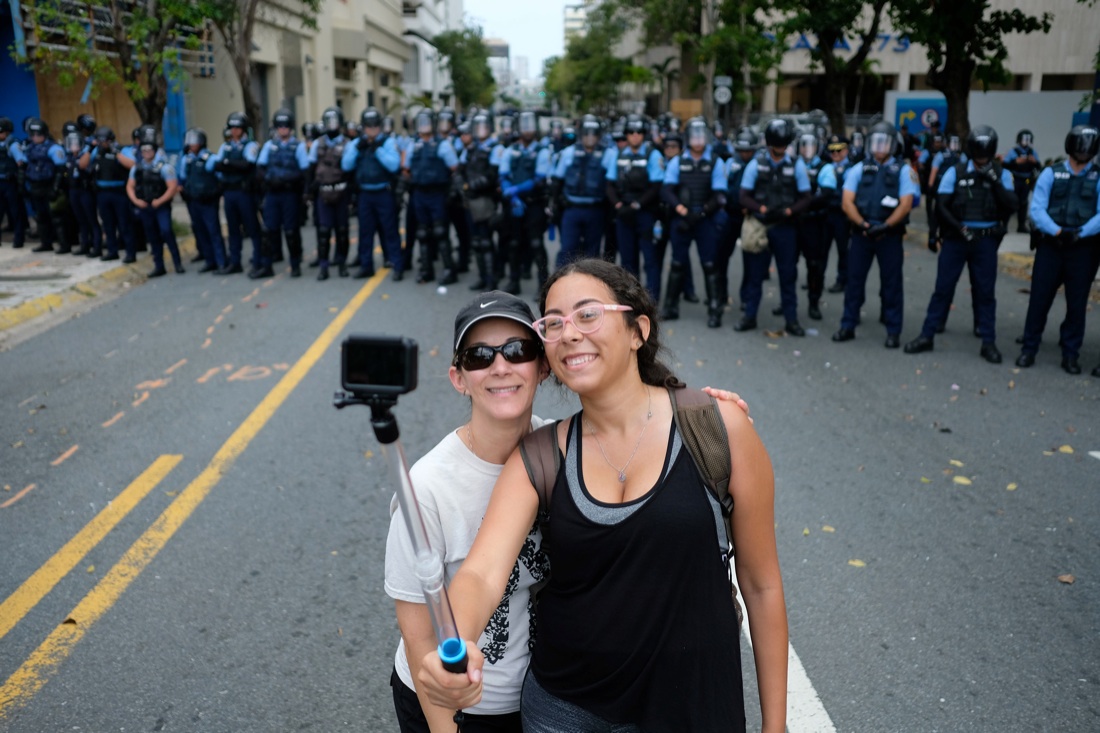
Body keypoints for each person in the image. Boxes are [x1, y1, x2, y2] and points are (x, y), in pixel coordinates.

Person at [416, 258, 786, 733]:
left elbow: (762, 586)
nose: (569, 333)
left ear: (638, 331)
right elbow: (482, 575)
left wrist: (776, 726)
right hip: (565, 712)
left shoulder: (717, 427)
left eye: (588, 314)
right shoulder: (540, 455)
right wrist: (457, 642)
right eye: (553, 323)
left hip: (694, 705)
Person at [904, 124, 1017, 363]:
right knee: (943, 289)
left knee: (985, 292)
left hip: (985, 240)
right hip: (957, 238)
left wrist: (994, 180)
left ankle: (988, 342)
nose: (982, 158)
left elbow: (1011, 205)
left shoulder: (1002, 173)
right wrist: (958, 229)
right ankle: (927, 335)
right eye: (978, 153)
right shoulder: (955, 172)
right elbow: (941, 205)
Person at [1015, 125, 1100, 376]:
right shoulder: (1051, 173)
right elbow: (1037, 209)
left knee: (1076, 303)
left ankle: (1070, 354)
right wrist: (1058, 232)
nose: (1083, 151)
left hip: (1083, 249)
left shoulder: (1097, 175)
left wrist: (1080, 232)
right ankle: (1029, 349)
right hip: (1052, 245)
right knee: (1039, 299)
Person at [832, 121, 919, 348]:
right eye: (876, 142)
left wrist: (887, 226)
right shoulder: (858, 168)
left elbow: (906, 204)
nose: (880, 147)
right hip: (862, 234)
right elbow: (847, 201)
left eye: (885, 142)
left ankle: (893, 331)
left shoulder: (904, 170)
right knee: (854, 282)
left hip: (889, 236)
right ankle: (848, 325)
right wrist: (862, 224)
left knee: (891, 284)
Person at [736, 117, 812, 335]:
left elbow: (806, 197)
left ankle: (791, 320)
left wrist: (789, 211)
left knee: (788, 275)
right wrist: (760, 209)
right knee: (755, 276)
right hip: (761, 225)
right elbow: (743, 196)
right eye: (776, 146)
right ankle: (749, 316)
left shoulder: (796, 165)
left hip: (785, 227)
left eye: (783, 145)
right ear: (769, 143)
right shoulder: (756, 164)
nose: (779, 149)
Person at [660, 117, 729, 327]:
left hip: (705, 219)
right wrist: (682, 210)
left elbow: (719, 195)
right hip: (682, 219)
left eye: (701, 135)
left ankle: (715, 310)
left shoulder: (716, 161)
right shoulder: (677, 161)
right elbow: (667, 191)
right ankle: (670, 307)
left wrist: (701, 213)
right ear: (688, 138)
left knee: (709, 264)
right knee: (678, 263)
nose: (698, 140)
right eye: (694, 135)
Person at [606, 113, 664, 302]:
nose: (635, 135)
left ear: (644, 134)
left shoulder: (653, 154)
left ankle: (652, 300)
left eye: (639, 131)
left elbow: (656, 186)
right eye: (631, 132)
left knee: (650, 259)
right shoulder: (618, 154)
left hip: (645, 213)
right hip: (624, 214)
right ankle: (633, 299)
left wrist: (637, 205)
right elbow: (609, 184)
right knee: (628, 260)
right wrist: (618, 205)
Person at [342, 107, 403, 280]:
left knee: (390, 231)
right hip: (365, 194)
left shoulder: (387, 142)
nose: (372, 129)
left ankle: (397, 265)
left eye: (375, 125)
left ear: (380, 126)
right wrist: (357, 149)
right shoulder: (357, 144)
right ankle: (366, 265)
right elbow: (346, 165)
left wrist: (377, 150)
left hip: (384, 192)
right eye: (368, 126)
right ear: (363, 127)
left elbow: (394, 165)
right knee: (365, 232)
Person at [499, 111, 553, 295]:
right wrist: (511, 196)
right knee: (514, 243)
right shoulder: (510, 150)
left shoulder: (542, 151)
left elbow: (539, 179)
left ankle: (543, 285)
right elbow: (503, 175)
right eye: (524, 125)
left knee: (536, 244)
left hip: (534, 204)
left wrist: (517, 190)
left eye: (530, 125)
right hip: (514, 205)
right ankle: (514, 281)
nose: (527, 130)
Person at [405, 109, 461, 285]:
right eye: (421, 123)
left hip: (437, 194)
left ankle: (449, 270)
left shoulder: (442, 144)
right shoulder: (413, 145)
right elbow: (405, 167)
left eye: (427, 122)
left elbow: (454, 168)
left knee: (440, 232)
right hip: (419, 194)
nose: (424, 126)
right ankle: (426, 270)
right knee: (422, 232)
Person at [550, 115, 612, 266]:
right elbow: (557, 180)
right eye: (586, 133)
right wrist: (553, 203)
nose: (590, 137)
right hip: (572, 209)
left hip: (595, 210)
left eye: (594, 133)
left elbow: (611, 183)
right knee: (567, 250)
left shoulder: (608, 154)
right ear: (581, 133)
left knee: (592, 254)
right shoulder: (569, 152)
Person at [208, 112, 260, 275]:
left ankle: (258, 260)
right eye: (232, 128)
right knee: (232, 229)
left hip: (244, 192)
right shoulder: (226, 146)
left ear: (243, 128)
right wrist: (232, 164)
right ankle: (235, 261)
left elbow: (248, 166)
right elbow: (217, 165)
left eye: (238, 127)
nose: (234, 131)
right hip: (229, 192)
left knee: (252, 227)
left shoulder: (251, 146)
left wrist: (228, 164)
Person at [127, 137, 183, 277]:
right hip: (145, 207)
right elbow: (130, 186)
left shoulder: (165, 167)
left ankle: (177, 263)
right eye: (143, 150)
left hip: (161, 206)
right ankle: (159, 266)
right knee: (152, 236)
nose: (146, 152)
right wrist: (136, 201)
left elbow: (172, 187)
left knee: (166, 232)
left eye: (149, 149)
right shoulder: (137, 168)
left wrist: (160, 201)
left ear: (155, 151)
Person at [309, 107, 354, 280]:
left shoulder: (348, 144)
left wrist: (352, 196)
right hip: (323, 193)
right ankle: (323, 266)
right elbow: (310, 169)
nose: (332, 125)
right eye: (328, 122)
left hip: (342, 192)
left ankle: (341, 263)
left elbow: (351, 171)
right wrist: (309, 191)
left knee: (342, 231)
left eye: (335, 121)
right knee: (324, 231)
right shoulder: (317, 143)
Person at [80, 126, 135, 262]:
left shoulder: (122, 150)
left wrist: (116, 153)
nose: (102, 143)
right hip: (102, 193)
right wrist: (89, 149)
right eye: (99, 140)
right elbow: (82, 165)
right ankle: (112, 251)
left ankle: (130, 253)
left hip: (119, 193)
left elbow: (132, 164)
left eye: (104, 141)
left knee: (124, 224)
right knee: (108, 224)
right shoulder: (96, 152)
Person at [178, 128, 227, 273]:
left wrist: (215, 193)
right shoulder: (186, 159)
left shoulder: (210, 158)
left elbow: (220, 178)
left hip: (208, 200)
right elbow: (182, 179)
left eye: (194, 141)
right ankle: (209, 260)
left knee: (213, 231)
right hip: (194, 200)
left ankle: (221, 261)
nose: (191, 144)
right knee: (200, 230)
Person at [22, 118, 67, 254]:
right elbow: (25, 167)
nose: (35, 137)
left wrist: (55, 188)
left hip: (50, 186)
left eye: (38, 134)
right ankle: (45, 243)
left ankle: (64, 245)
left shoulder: (53, 148)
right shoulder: (30, 148)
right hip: (36, 186)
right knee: (40, 217)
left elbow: (60, 170)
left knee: (57, 218)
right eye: (33, 134)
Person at [822, 135, 852, 294]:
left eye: (838, 150)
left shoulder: (850, 169)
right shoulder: (826, 167)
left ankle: (842, 280)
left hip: (841, 215)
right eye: (832, 151)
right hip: (827, 213)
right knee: (822, 249)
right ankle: (818, 278)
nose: (835, 154)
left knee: (842, 250)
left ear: (846, 150)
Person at [1002, 130, 1040, 233]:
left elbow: (1038, 166)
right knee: (1011, 201)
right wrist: (1016, 162)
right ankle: (1004, 225)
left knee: (1023, 203)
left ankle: (1021, 225)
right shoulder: (1013, 151)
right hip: (1015, 179)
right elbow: (1005, 165)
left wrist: (1034, 162)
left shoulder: (1032, 152)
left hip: (1026, 180)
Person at [0, 117, 27, 249]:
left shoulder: (13, 144)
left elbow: (21, 164)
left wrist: (20, 183)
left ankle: (18, 239)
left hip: (10, 182)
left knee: (16, 212)